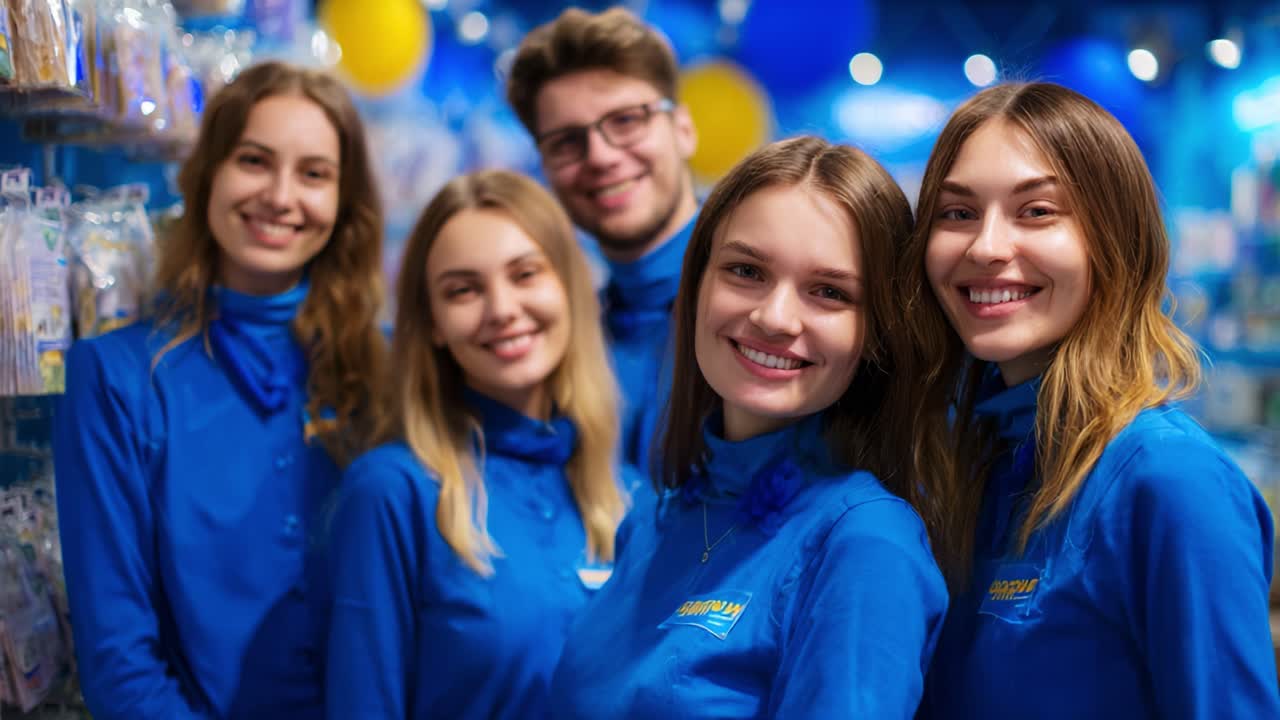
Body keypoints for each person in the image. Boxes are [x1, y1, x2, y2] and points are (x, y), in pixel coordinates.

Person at [904, 82, 1280, 718]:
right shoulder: (973, 465)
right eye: (958, 213)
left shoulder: (1168, 482)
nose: (986, 246)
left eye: (1038, 211)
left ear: (1115, 239)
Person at [548, 136, 948, 718]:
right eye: (746, 271)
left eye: (830, 292)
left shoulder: (865, 544)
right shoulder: (655, 517)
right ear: (699, 283)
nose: (774, 317)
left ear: (878, 331)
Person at [53, 61, 387, 719]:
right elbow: (119, 663)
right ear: (207, 175)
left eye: (314, 173)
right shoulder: (116, 380)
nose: (281, 196)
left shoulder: (388, 368)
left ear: (345, 203)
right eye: (254, 161)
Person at [324, 169, 629, 720]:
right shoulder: (395, 492)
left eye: (526, 274)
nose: (502, 309)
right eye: (463, 290)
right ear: (433, 323)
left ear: (569, 285)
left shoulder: (629, 496)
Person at [507, 6, 698, 473]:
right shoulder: (557, 339)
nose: (601, 156)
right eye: (567, 141)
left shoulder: (771, 311)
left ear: (683, 129)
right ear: (545, 167)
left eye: (627, 120)